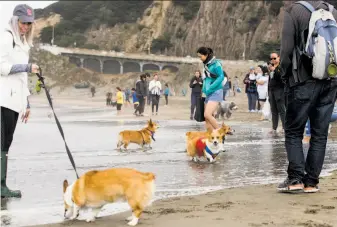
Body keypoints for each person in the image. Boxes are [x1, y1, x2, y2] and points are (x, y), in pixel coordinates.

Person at [278, 1, 337, 193]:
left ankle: (295, 179)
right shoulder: (332, 11)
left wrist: (285, 75)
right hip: (329, 80)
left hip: (302, 81)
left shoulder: (293, 11)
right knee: (319, 135)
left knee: (294, 131)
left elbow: (286, 52)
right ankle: (311, 182)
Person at [0, 4, 40, 198]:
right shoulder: (7, 37)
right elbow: (2, 67)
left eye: (29, 24)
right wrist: (27, 66)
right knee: (1, 144)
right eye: (23, 23)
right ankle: (1, 186)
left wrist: (27, 104)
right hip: (3, 98)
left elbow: (23, 78)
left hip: (15, 100)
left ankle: (2, 185)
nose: (26, 27)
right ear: (16, 20)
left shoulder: (23, 43)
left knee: (6, 143)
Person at [197, 47, 225, 131]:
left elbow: (221, 77)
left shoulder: (216, 64)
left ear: (206, 55)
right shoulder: (206, 64)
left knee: (207, 114)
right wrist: (204, 90)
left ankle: (220, 132)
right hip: (208, 93)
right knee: (207, 119)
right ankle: (210, 137)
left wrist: (211, 87)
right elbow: (206, 79)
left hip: (216, 92)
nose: (200, 58)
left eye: (200, 56)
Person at [268, 53, 286, 135]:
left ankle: (284, 127)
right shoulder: (271, 67)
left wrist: (274, 70)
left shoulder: (281, 66)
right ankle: (274, 127)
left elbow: (282, 77)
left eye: (274, 58)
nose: (273, 60)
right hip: (272, 91)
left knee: (282, 110)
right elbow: (270, 80)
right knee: (273, 110)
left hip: (279, 90)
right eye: (271, 58)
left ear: (278, 57)